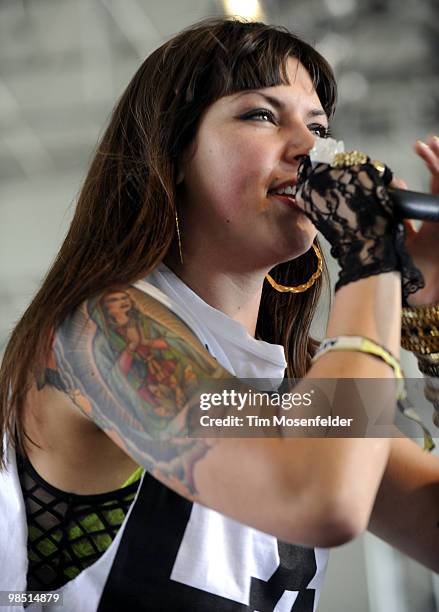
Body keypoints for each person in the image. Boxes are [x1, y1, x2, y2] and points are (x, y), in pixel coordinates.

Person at [0, 16, 438, 612]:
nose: (310, 146)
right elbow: (320, 498)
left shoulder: (296, 390)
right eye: (262, 114)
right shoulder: (101, 332)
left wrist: (425, 306)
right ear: (175, 153)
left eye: (318, 125)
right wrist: (369, 260)